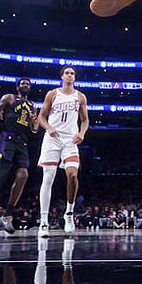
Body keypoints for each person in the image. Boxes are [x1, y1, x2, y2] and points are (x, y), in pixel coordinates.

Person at [0, 77, 39, 233]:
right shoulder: (9, 98)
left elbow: (33, 130)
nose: (26, 85)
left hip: (23, 143)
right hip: (8, 139)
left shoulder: (33, 106)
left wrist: (35, 124)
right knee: (3, 173)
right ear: (17, 87)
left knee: (23, 175)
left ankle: (7, 216)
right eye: (23, 83)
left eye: (28, 84)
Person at [36, 66, 89, 237]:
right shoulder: (52, 94)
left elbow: (85, 120)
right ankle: (44, 222)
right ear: (62, 76)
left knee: (73, 175)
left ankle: (69, 213)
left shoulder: (80, 97)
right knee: (48, 178)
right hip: (52, 138)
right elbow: (41, 117)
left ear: (75, 77)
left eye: (72, 73)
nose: (69, 75)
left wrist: (82, 133)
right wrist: (49, 127)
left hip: (70, 140)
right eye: (67, 73)